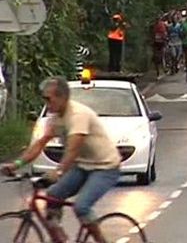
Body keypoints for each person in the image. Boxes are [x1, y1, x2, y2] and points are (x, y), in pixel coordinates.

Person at [1, 77, 121, 243]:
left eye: (48, 99)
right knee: (53, 196)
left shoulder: (78, 115)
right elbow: (40, 144)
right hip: (82, 166)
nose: (46, 103)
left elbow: (73, 149)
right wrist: (17, 164)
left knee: (81, 206)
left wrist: (58, 172)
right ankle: (59, 238)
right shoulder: (55, 118)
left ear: (62, 97)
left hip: (105, 167)